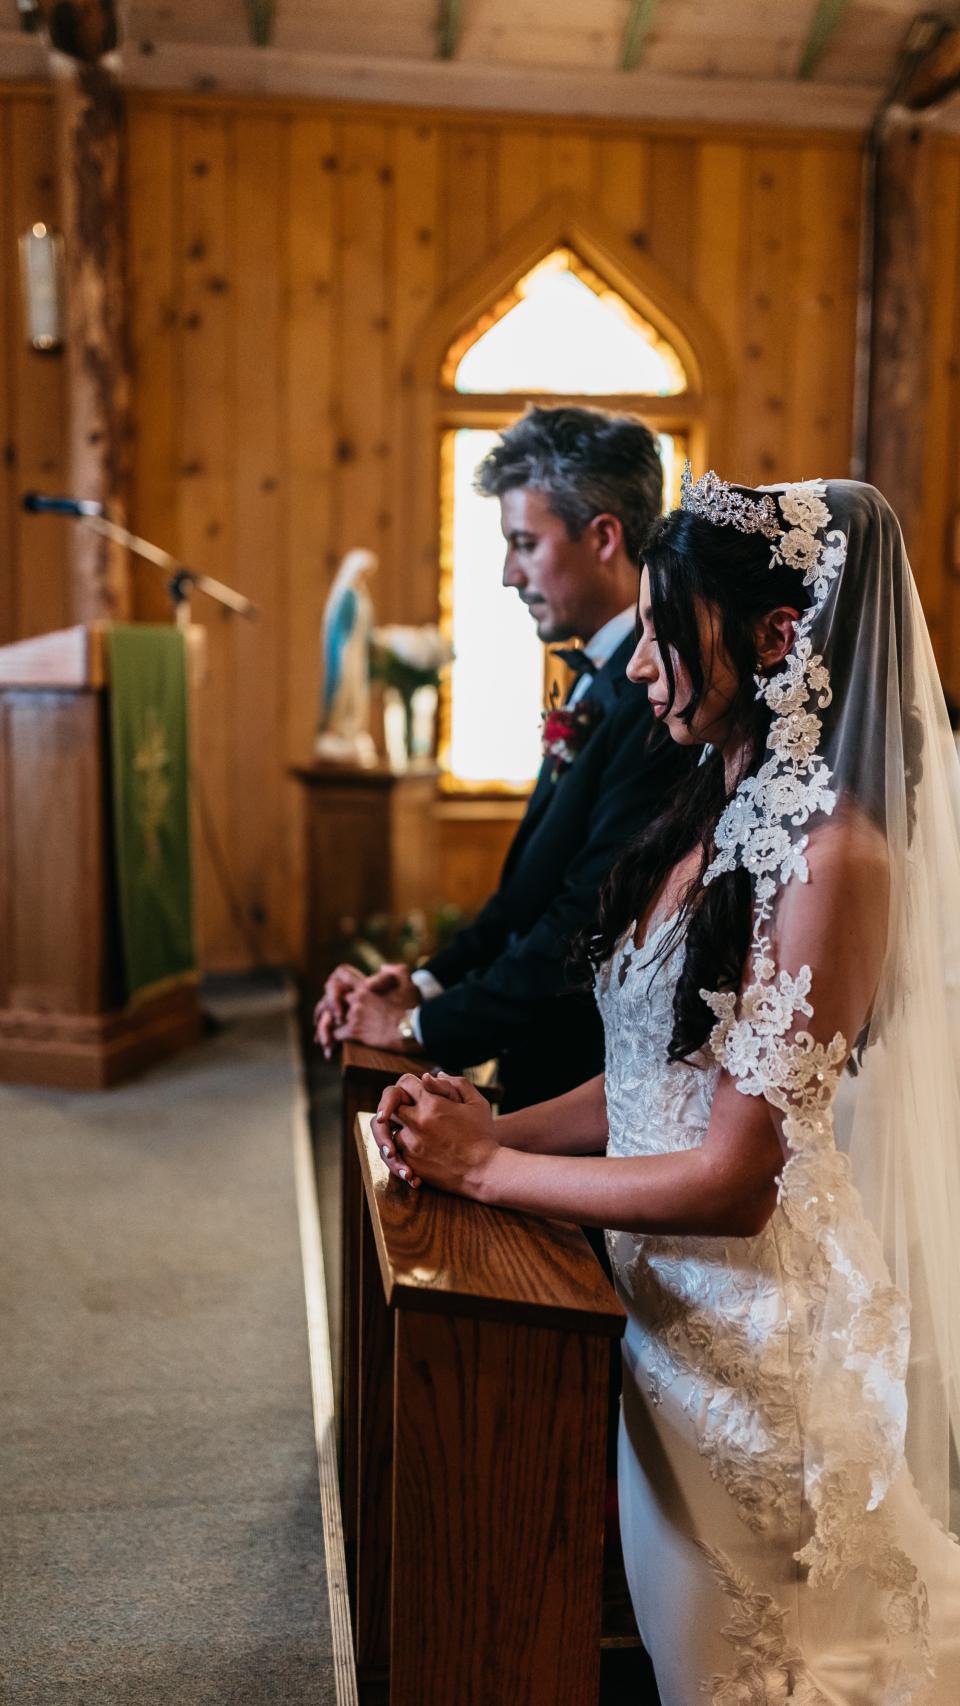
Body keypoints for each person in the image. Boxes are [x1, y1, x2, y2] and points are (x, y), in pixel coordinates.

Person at [374, 473, 960, 1703]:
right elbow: (648, 1082)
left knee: (747, 1674)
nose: (641, 667)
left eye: (663, 630)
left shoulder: (836, 855)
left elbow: (740, 1176)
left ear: (776, 637)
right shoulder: (711, 807)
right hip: (655, 1318)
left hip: (753, 1369)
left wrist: (488, 1170)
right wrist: (478, 1127)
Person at [315, 405, 694, 1111]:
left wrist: (414, 1028)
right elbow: (525, 897)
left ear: (604, 536)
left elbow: (583, 922)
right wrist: (425, 983)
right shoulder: (594, 677)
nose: (506, 573)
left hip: (587, 1081)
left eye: (524, 542)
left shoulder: (659, 701)